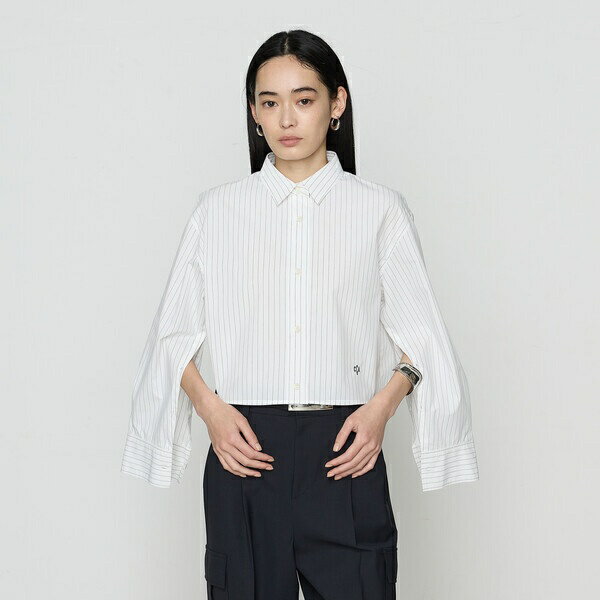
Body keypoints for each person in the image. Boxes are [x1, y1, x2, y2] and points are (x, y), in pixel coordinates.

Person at [120, 29, 479, 600]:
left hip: (344, 451)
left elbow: (423, 336)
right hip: (245, 453)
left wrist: (382, 408)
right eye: (270, 102)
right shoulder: (217, 212)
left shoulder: (379, 210)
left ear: (336, 104)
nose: (286, 118)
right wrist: (211, 411)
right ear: (254, 113)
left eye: (304, 99)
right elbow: (172, 335)